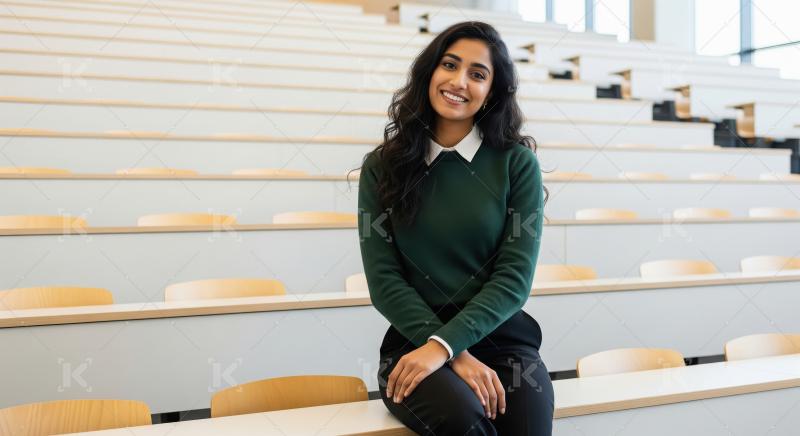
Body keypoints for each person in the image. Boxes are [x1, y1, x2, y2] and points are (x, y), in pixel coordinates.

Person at [356, 21, 552, 435]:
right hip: (414, 343)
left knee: (529, 424)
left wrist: (448, 346)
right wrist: (445, 351)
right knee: (465, 418)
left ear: (492, 92)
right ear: (431, 72)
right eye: (450, 65)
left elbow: (514, 279)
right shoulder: (381, 167)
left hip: (502, 340)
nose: (459, 82)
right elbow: (384, 281)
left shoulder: (517, 164)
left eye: (477, 74)